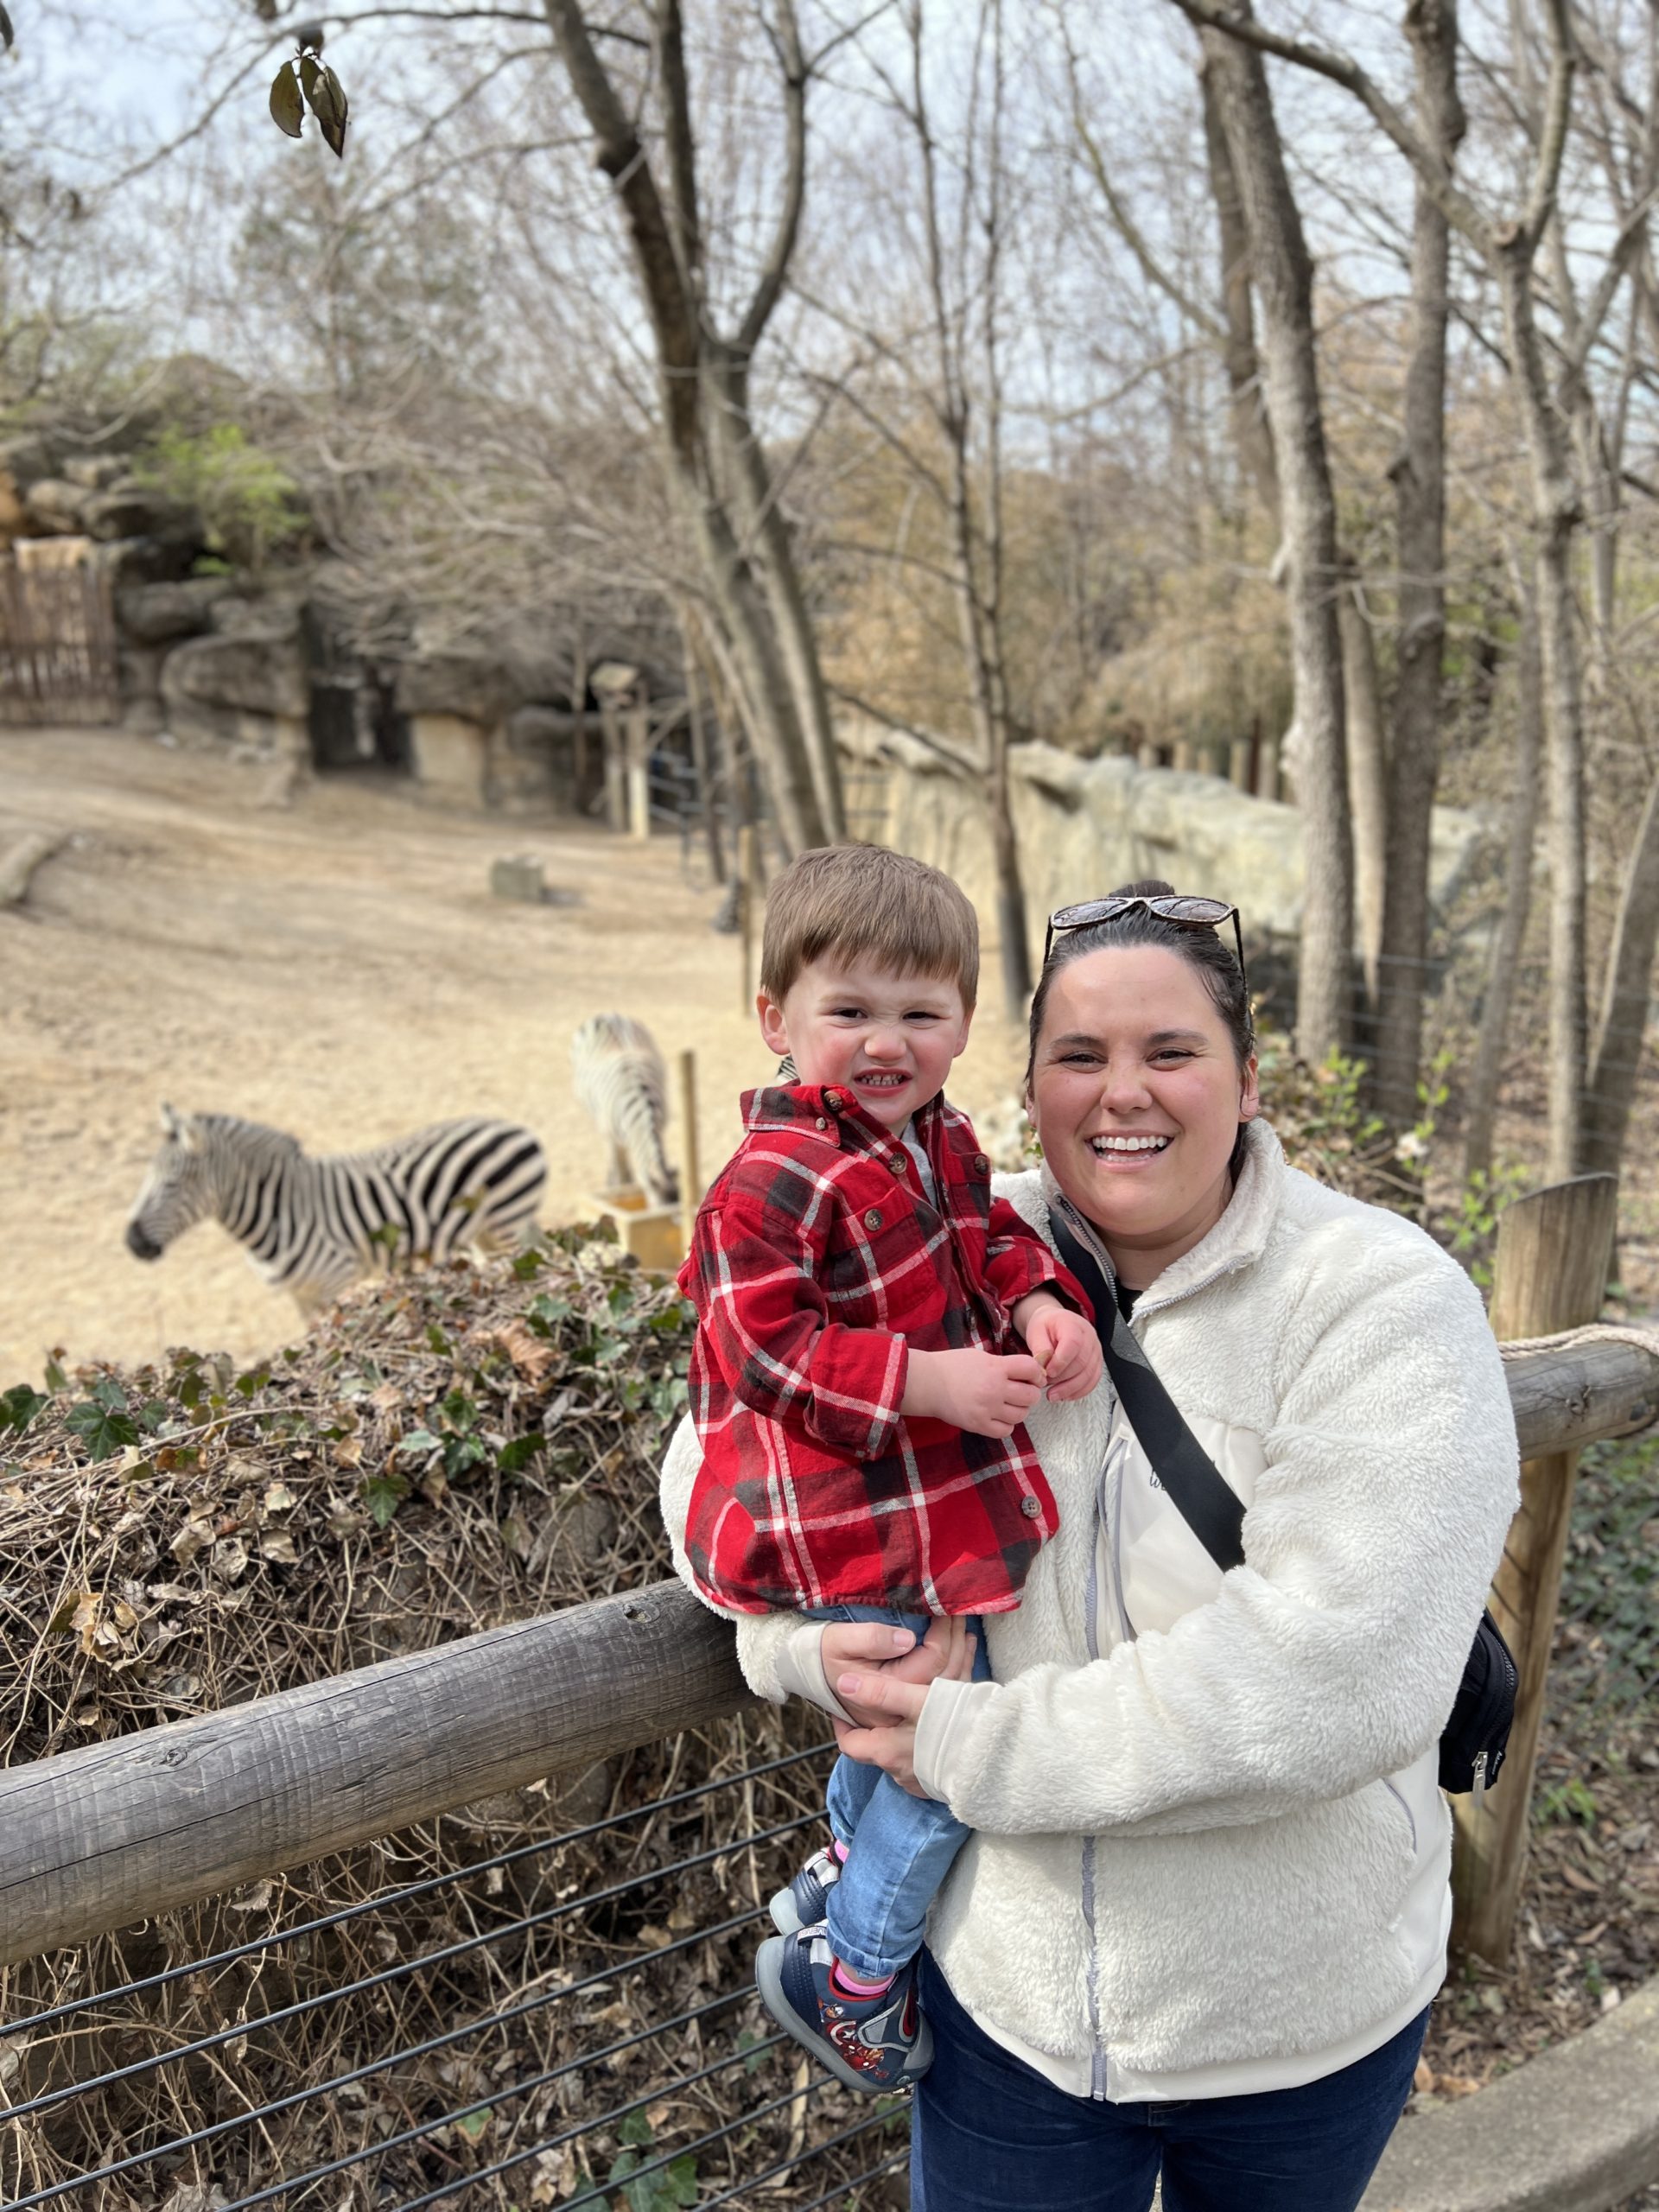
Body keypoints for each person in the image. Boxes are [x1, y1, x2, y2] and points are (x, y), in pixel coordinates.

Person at [661, 880, 1520, 2212]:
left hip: (1299, 2022)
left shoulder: (1380, 1302)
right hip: (1013, 2023)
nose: (1125, 1094)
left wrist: (962, 1746)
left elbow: (1330, 1678)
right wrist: (805, 1647)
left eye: (1170, 1052)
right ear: (1031, 1084)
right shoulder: (937, 1239)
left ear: (1247, 1075)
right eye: (1081, 1057)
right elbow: (714, 1451)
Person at [676, 843, 1101, 2094]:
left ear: (965, 1021)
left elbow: (994, 1244)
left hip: (930, 1518)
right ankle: (855, 1972)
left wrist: (1039, 1310)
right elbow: (761, 1347)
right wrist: (932, 1382)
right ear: (775, 1019)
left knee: (905, 1732)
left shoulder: (940, 1142)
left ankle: (828, 1883)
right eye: (849, 1011)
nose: (886, 1042)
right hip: (850, 1523)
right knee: (945, 1753)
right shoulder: (768, 1180)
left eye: (920, 1013)